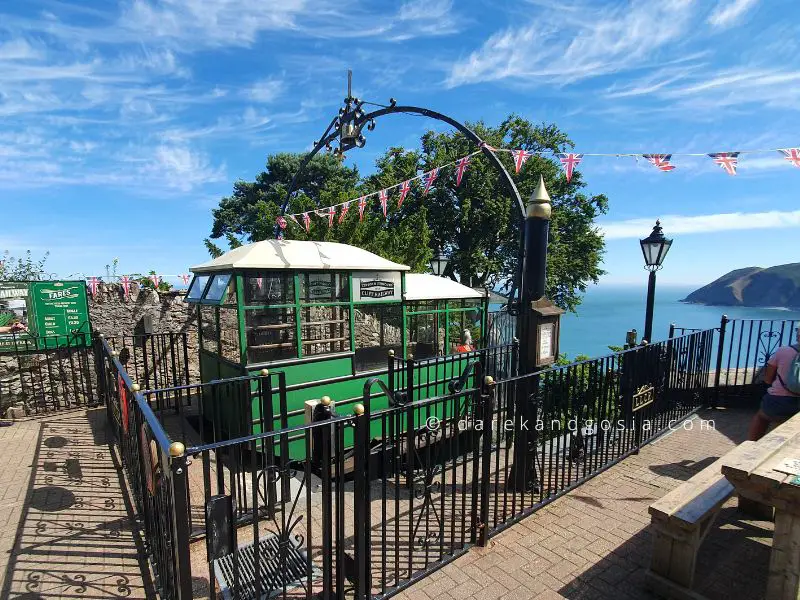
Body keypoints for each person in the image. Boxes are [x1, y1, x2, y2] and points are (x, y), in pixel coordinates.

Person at [747, 327, 800, 441]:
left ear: (798, 335)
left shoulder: (783, 351)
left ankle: (751, 444)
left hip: (778, 400)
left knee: (761, 417)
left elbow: (767, 379)